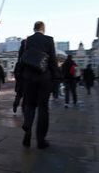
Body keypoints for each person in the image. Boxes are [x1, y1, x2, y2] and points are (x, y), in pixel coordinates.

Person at [18, 21, 59, 149]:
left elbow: (21, 60)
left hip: (29, 79)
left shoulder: (26, 41)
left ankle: (28, 126)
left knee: (30, 105)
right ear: (43, 29)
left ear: (34, 29)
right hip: (44, 78)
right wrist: (56, 78)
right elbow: (52, 60)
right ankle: (41, 140)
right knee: (43, 108)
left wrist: (21, 77)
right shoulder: (49, 40)